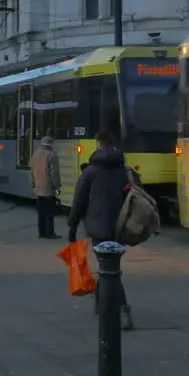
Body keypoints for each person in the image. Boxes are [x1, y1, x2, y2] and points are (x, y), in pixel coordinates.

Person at [68, 132, 136, 330]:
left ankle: (122, 309)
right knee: (108, 267)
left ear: (98, 145)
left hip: (98, 227)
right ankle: (101, 305)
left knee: (109, 270)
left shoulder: (90, 172)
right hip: (121, 226)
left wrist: (72, 225)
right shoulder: (125, 170)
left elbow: (79, 201)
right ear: (113, 145)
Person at [30, 136, 63, 239]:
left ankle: (41, 232)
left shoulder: (35, 154)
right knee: (49, 211)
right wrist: (57, 186)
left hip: (38, 187)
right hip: (48, 188)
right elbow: (54, 174)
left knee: (41, 211)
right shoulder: (52, 156)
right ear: (51, 144)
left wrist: (33, 184)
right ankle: (50, 233)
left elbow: (31, 171)